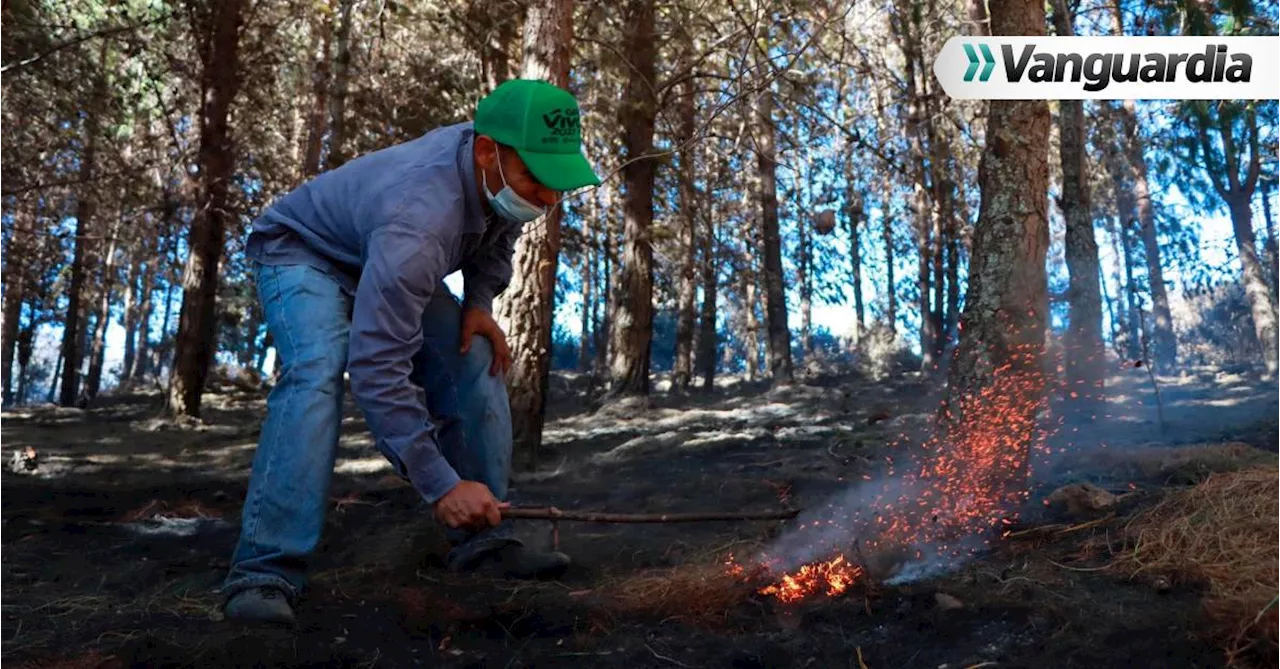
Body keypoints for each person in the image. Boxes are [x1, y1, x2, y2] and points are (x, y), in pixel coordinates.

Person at [220, 79, 601, 627]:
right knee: (317, 375)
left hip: (379, 254)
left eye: (557, 184)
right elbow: (377, 368)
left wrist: (478, 301)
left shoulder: (498, 174)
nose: (547, 198)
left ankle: (483, 541)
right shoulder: (419, 221)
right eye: (536, 181)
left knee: (472, 354)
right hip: (303, 253)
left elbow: (500, 231)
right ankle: (263, 571)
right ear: (487, 151)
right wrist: (438, 483)